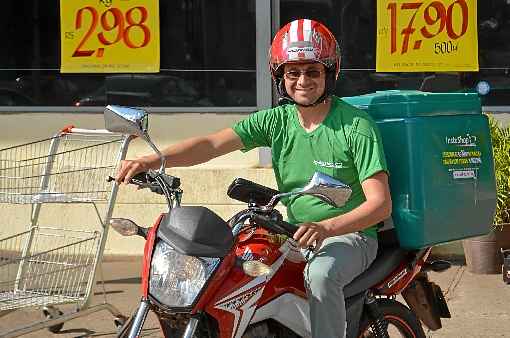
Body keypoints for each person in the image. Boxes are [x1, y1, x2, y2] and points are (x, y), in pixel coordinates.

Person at [115, 18, 391, 338]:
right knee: (234, 271)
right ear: (280, 76)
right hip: (295, 232)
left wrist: (326, 227)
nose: (303, 80)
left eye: (313, 71)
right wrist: (154, 159)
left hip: (350, 236)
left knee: (321, 275)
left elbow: (379, 204)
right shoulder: (277, 121)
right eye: (293, 72)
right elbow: (212, 144)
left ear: (330, 73)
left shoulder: (356, 126)